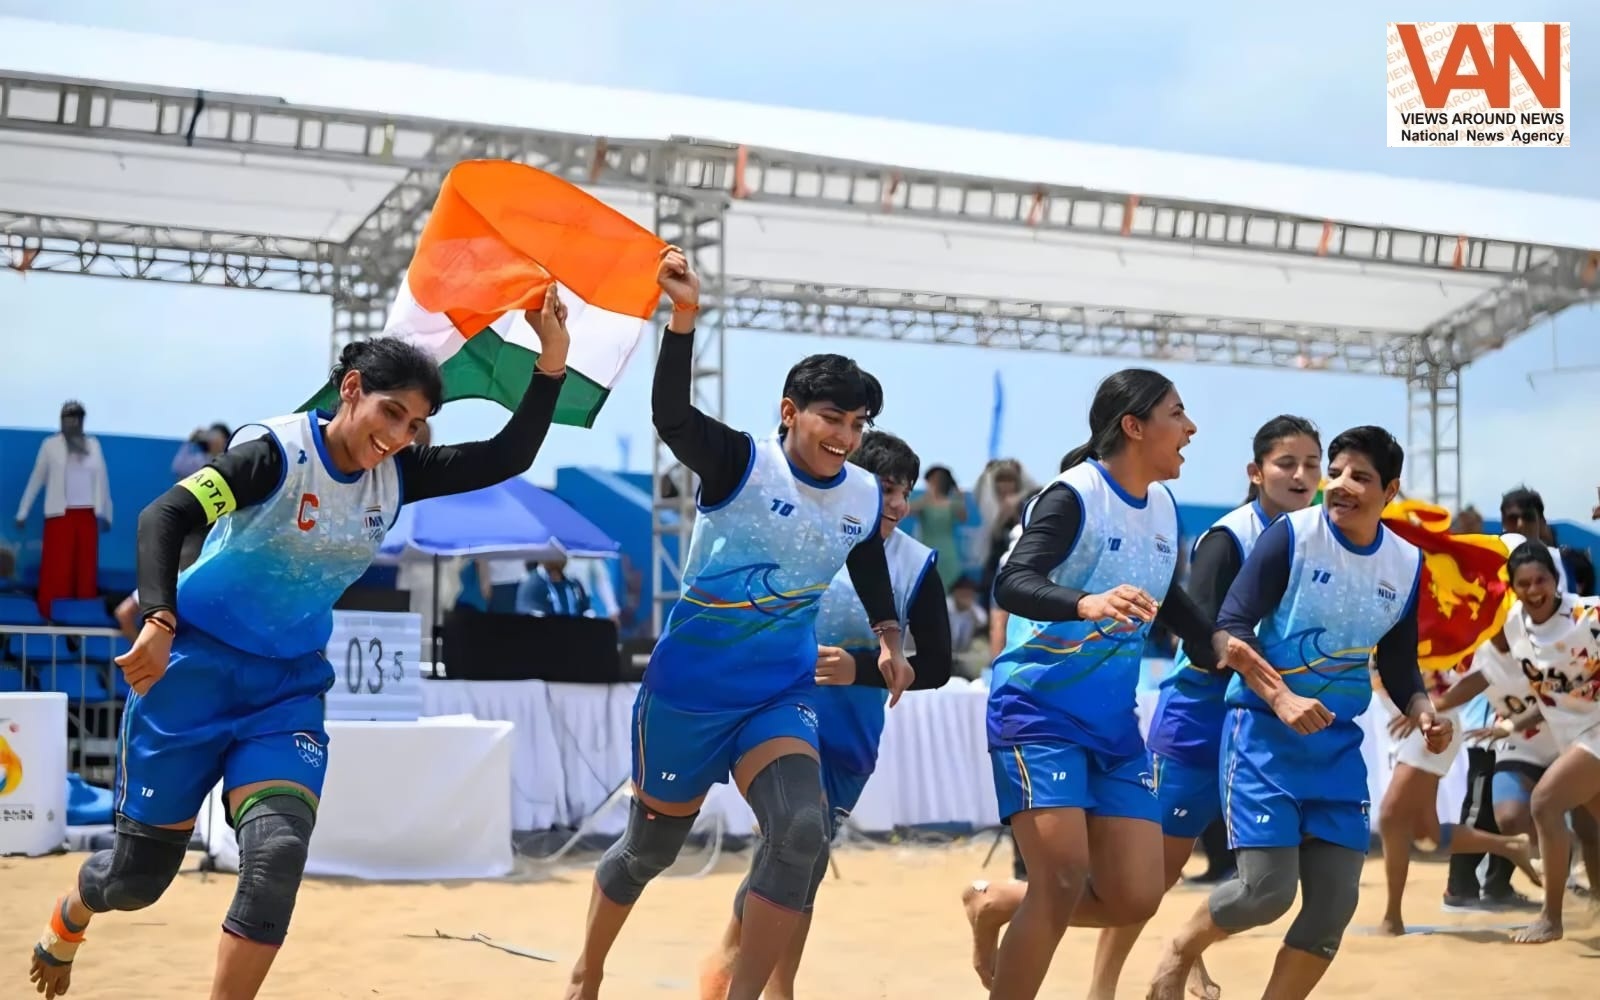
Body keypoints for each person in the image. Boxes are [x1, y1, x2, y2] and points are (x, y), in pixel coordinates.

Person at [28, 294, 572, 1000]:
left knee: (277, 855)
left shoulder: (399, 475)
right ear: (352, 389)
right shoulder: (275, 456)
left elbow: (508, 454)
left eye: (414, 425)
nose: (399, 435)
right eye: (391, 413)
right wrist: (158, 620)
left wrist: (551, 361)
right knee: (135, 882)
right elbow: (165, 515)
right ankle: (74, 910)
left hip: (284, 690)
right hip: (190, 675)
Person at [562, 248, 912, 1000]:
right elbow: (670, 417)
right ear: (790, 412)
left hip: (777, 695)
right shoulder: (740, 464)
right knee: (649, 851)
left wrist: (889, 636)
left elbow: (864, 556)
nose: (845, 436)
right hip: (689, 694)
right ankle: (587, 971)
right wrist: (684, 318)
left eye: (857, 423)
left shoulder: (861, 492)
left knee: (802, 829)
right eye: (831, 418)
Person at [966, 369, 1305, 1000]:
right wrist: (1086, 602)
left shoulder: (1162, 505)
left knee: (1135, 895)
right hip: (1037, 711)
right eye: (1177, 414)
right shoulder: (1074, 495)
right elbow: (1012, 583)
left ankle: (997, 903)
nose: (1191, 428)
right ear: (1134, 426)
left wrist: (1216, 641)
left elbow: (1166, 596)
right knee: (1061, 879)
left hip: (1113, 724)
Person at [1149, 426, 1447, 1000]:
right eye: (1335, 473)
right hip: (1262, 737)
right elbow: (1229, 628)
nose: (1339, 485)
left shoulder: (1406, 562)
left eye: (1359, 477)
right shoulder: (1291, 536)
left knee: (1333, 907)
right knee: (1266, 892)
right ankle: (1182, 947)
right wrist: (1280, 697)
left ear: (1390, 491)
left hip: (1335, 748)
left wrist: (1423, 710)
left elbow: (1398, 661)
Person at [699, 429, 953, 1000]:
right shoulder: (806, 538)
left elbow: (938, 665)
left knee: (795, 861)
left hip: (853, 737)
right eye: (886, 489)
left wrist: (858, 669)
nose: (897, 504)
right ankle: (773, 988)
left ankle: (731, 957)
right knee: (800, 849)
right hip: (781, 720)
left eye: (905, 492)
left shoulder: (915, 564)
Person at [1089, 414, 1323, 1000]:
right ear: (1256, 472)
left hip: (1266, 724)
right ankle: (1101, 990)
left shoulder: (1321, 539)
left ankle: (1184, 951)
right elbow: (1200, 640)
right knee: (1154, 876)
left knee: (1263, 872)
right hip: (1199, 718)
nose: (1300, 475)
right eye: (1286, 463)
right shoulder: (1229, 537)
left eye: (1311, 464)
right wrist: (1271, 674)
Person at [1483, 540, 1600, 944]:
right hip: (1571, 739)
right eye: (1524, 583)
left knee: (1544, 804)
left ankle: (1551, 918)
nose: (1534, 590)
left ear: (1555, 580)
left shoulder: (1590, 615)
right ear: (1513, 587)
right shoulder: (1514, 624)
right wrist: (1511, 725)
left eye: (1541, 580)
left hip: (1596, 733)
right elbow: (1551, 694)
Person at [15, 400, 113, 618]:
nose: (71, 423)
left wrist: (106, 513)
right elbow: (37, 478)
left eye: (75, 419)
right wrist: (23, 511)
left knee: (85, 568)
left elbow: (102, 480)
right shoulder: (51, 445)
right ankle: (51, 613)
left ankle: (83, 615)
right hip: (59, 515)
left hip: (87, 514)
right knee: (58, 567)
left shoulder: (93, 445)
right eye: (66, 419)